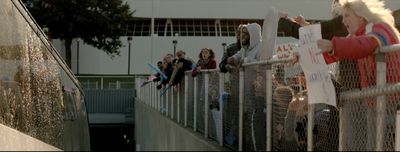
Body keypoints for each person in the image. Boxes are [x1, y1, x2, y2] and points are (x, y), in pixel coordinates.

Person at [316, 0, 400, 150]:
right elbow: (336, 52)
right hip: (377, 100)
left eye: (347, 16)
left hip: (391, 101)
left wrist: (332, 45)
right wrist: (303, 56)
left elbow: (363, 45)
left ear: (361, 16)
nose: (343, 21)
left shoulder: (379, 28)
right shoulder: (360, 34)